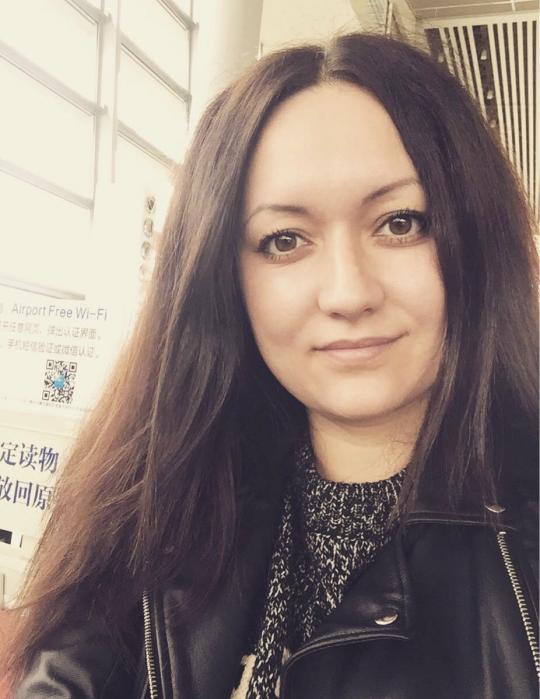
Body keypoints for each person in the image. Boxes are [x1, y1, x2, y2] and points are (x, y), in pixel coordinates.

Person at [3, 31, 538, 698]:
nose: (347, 293)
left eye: (400, 223)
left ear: (478, 239)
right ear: (223, 277)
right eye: (285, 240)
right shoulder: (157, 505)